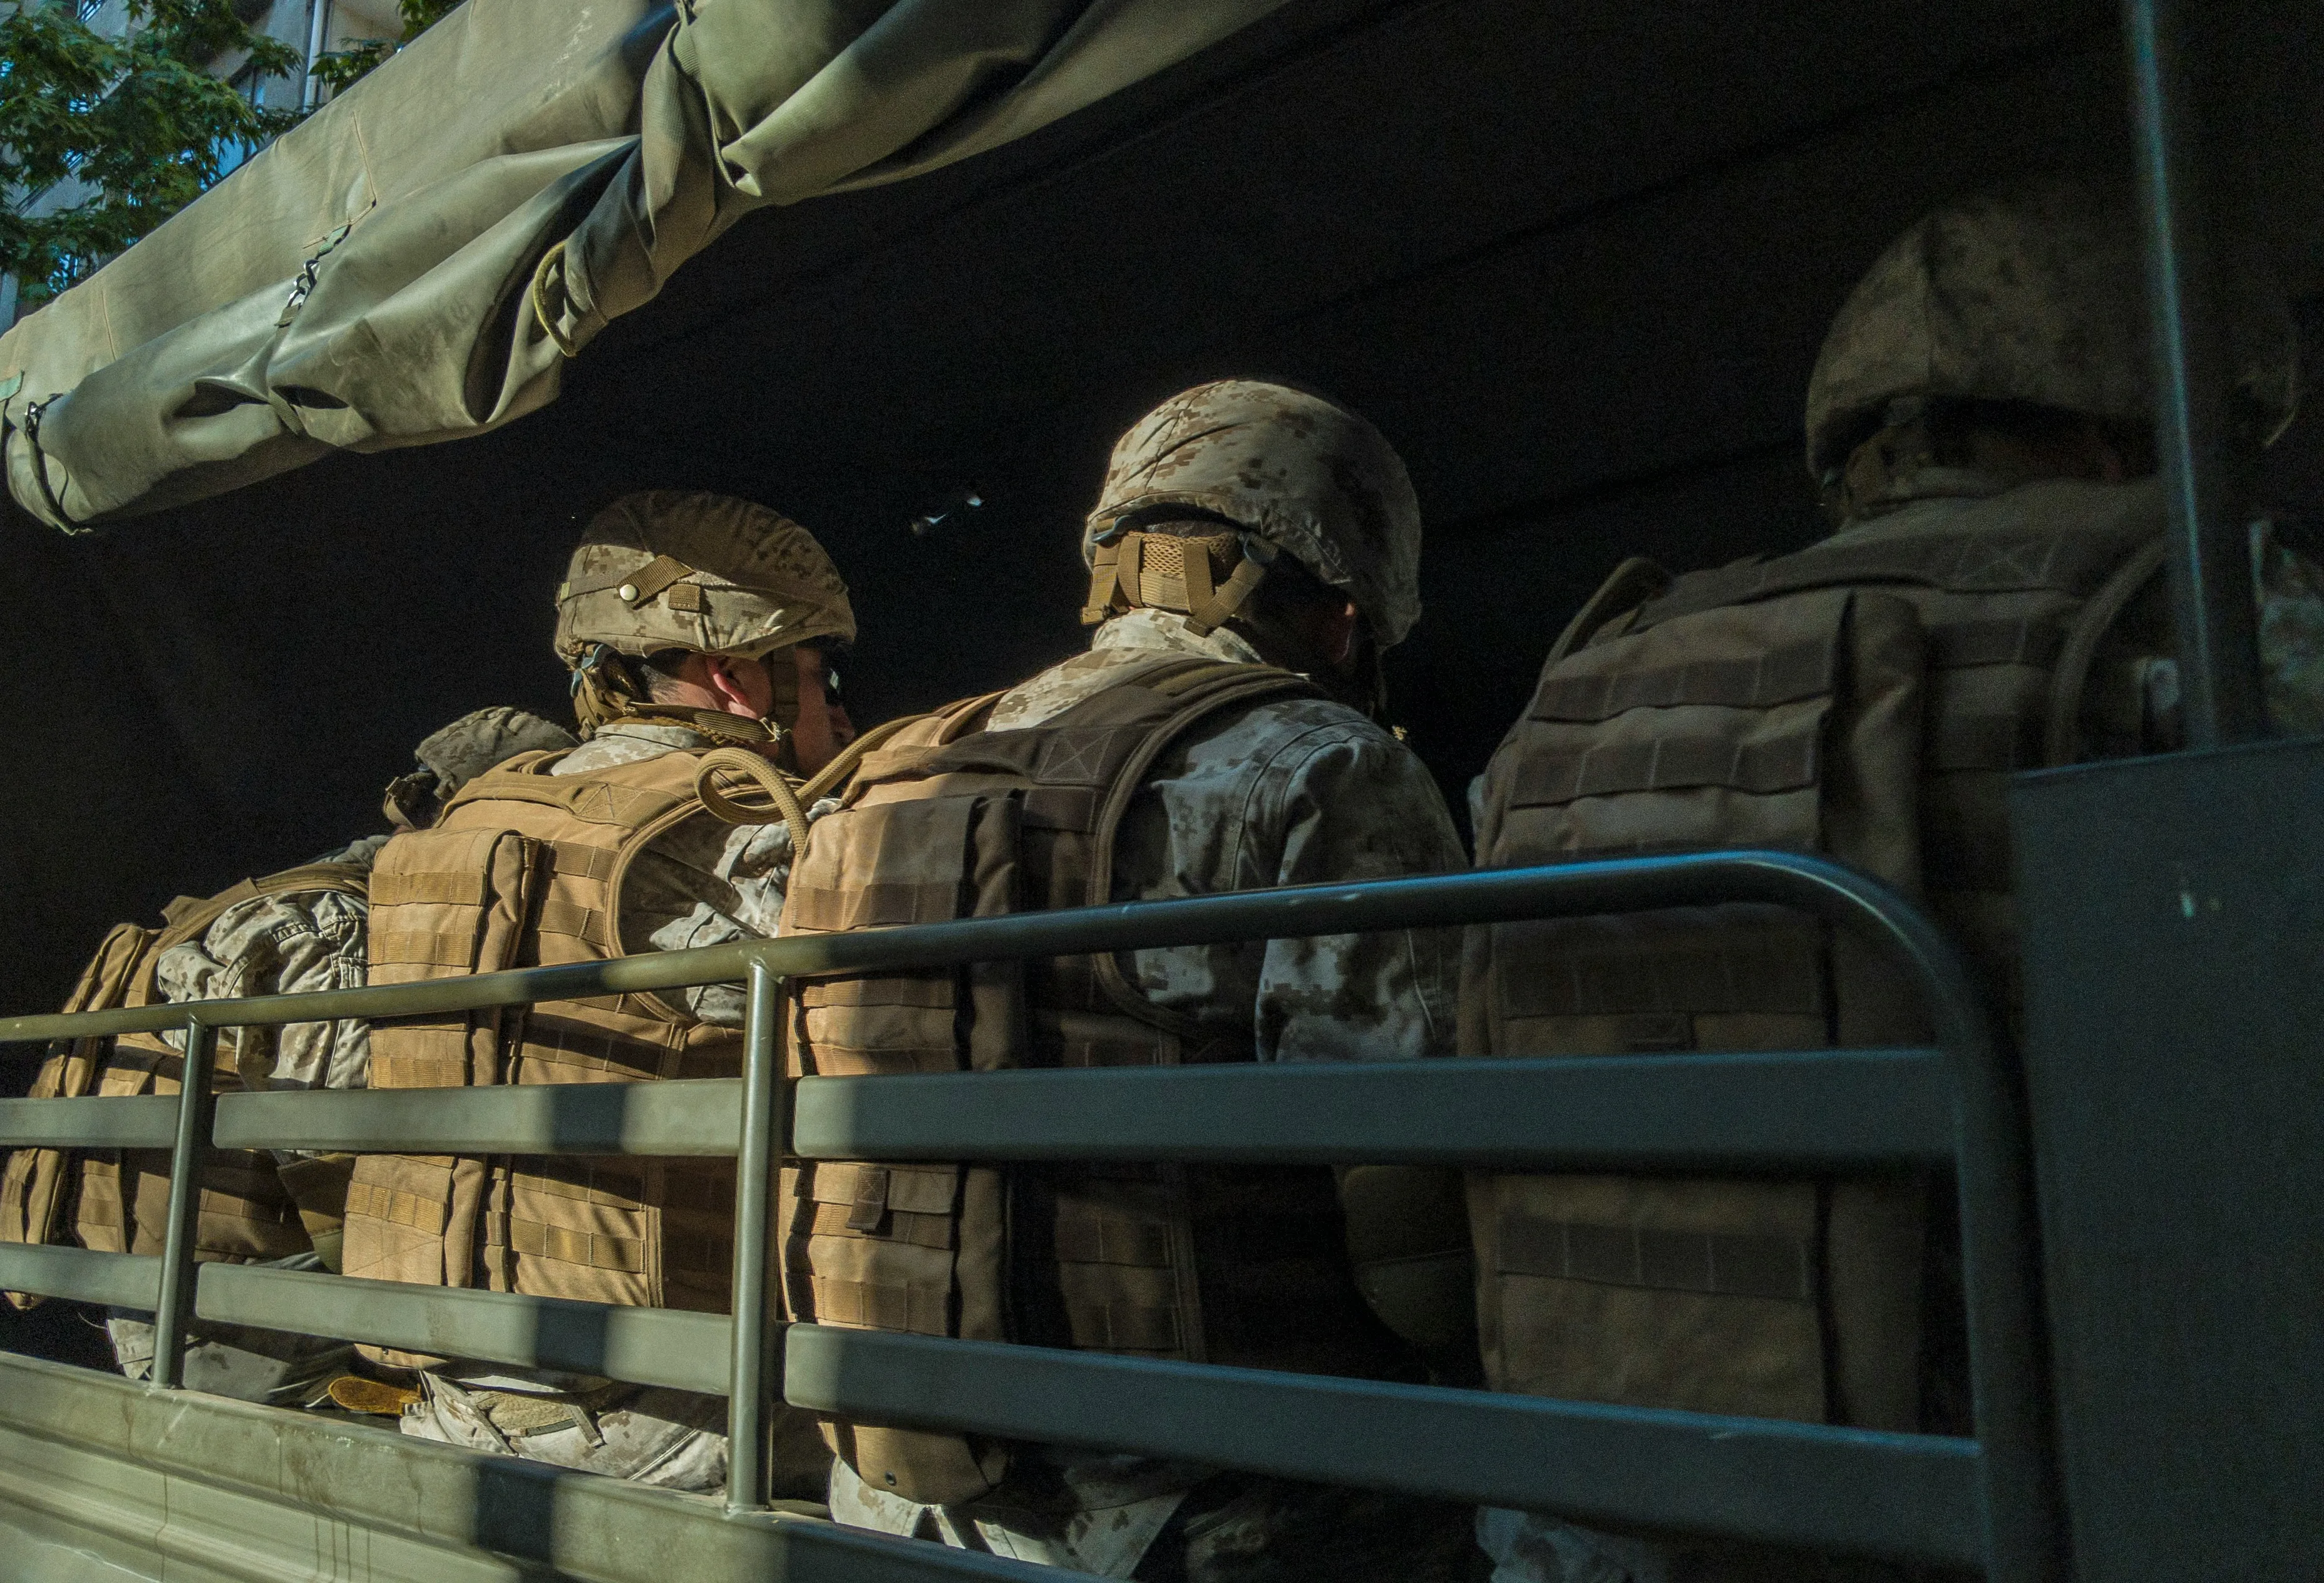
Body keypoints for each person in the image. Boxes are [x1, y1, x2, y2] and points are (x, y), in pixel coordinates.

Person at [1460, 177, 2324, 1582]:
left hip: (1615, 1496)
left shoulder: (1583, 684)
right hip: (2056, 1494)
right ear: (2141, 415)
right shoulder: (2201, 604)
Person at [784, 380, 1476, 1580]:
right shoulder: (1318, 763)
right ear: (1342, 601)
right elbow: (1420, 1225)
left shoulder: (886, 774)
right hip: (1216, 1505)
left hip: (903, 1491)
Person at [339, 490, 858, 1495]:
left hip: (453, 1388)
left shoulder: (471, 820)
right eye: (820, 673)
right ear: (737, 675)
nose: (839, 704)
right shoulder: (741, 830)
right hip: (663, 1416)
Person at [0, 706, 576, 1408]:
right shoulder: (330, 926)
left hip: (201, 1288)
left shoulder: (318, 897)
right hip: (232, 1320)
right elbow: (345, 1184)